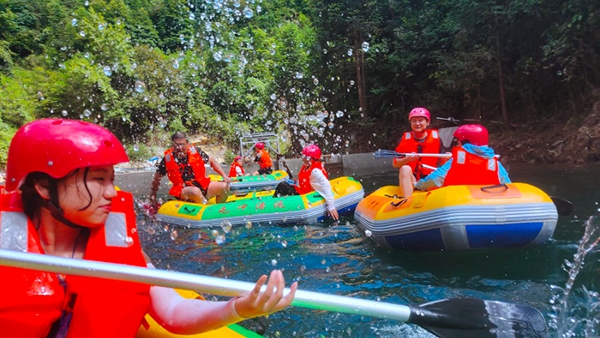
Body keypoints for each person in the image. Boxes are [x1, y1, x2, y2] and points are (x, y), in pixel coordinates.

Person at [0, 118, 297, 338]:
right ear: (42, 187)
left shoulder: (120, 247)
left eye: (112, 180)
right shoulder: (5, 247)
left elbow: (173, 312)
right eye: (98, 180)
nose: (113, 193)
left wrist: (237, 308)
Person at [408, 124, 511, 196]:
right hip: (485, 202)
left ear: (465, 142)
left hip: (458, 201)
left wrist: (419, 185)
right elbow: (508, 185)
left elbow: (435, 178)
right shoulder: (494, 163)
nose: (456, 145)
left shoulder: (457, 161)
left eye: (457, 142)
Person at [150, 132, 231, 205]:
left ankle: (219, 209)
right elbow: (157, 178)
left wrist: (224, 175)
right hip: (183, 191)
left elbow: (213, 162)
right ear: (172, 145)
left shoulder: (196, 152)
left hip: (202, 186)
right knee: (195, 191)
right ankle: (205, 209)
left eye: (182, 144)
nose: (180, 148)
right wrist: (153, 194)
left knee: (225, 186)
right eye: (176, 145)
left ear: (187, 143)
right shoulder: (167, 160)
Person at [272, 144, 339, 220]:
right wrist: (295, 183)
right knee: (286, 183)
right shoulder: (307, 166)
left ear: (313, 159)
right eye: (303, 156)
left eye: (306, 157)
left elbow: (326, 185)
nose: (303, 159)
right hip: (303, 191)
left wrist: (331, 206)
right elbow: (305, 181)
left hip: (306, 196)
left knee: (282, 185)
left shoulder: (315, 171)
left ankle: (273, 204)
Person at [393, 107, 444, 197]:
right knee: (405, 168)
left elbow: (444, 163)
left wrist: (447, 156)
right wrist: (408, 158)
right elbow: (395, 164)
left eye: (420, 120)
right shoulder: (404, 140)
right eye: (414, 121)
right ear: (410, 123)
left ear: (427, 122)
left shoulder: (436, 139)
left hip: (430, 179)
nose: (417, 123)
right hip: (412, 180)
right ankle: (407, 202)